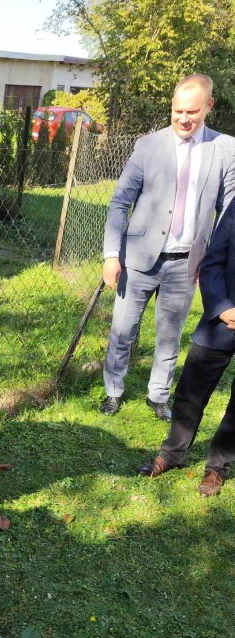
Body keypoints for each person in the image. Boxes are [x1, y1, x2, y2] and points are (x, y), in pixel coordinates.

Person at [101, 74, 235, 421]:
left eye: (192, 112)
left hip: (187, 264)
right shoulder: (148, 146)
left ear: (209, 106)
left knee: (169, 336)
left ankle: (158, 396)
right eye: (178, 111)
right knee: (123, 331)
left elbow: (228, 214)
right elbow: (120, 201)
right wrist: (112, 255)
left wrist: (214, 264)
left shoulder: (225, 148)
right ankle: (113, 390)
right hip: (138, 259)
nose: (183, 119)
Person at [138, 197, 235, 496]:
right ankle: (172, 453)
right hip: (224, 319)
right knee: (191, 389)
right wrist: (221, 307)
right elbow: (213, 261)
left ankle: (217, 467)